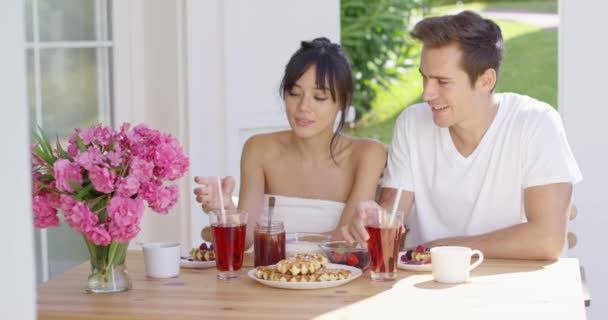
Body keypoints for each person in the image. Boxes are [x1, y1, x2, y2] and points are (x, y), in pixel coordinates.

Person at [343, 11, 582, 260]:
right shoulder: (412, 124)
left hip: (511, 283)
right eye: (424, 78)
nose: (427, 94)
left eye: (442, 82)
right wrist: (376, 219)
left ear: (486, 80)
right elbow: (392, 218)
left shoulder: (535, 123)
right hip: (424, 285)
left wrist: (444, 249)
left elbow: (548, 240)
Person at [194, 37, 386, 247]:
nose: (303, 107)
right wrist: (225, 210)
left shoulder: (367, 154)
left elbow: (344, 239)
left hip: (338, 276)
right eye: (294, 93)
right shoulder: (258, 149)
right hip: (268, 276)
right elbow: (247, 239)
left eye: (319, 97)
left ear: (343, 101)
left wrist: (275, 241)